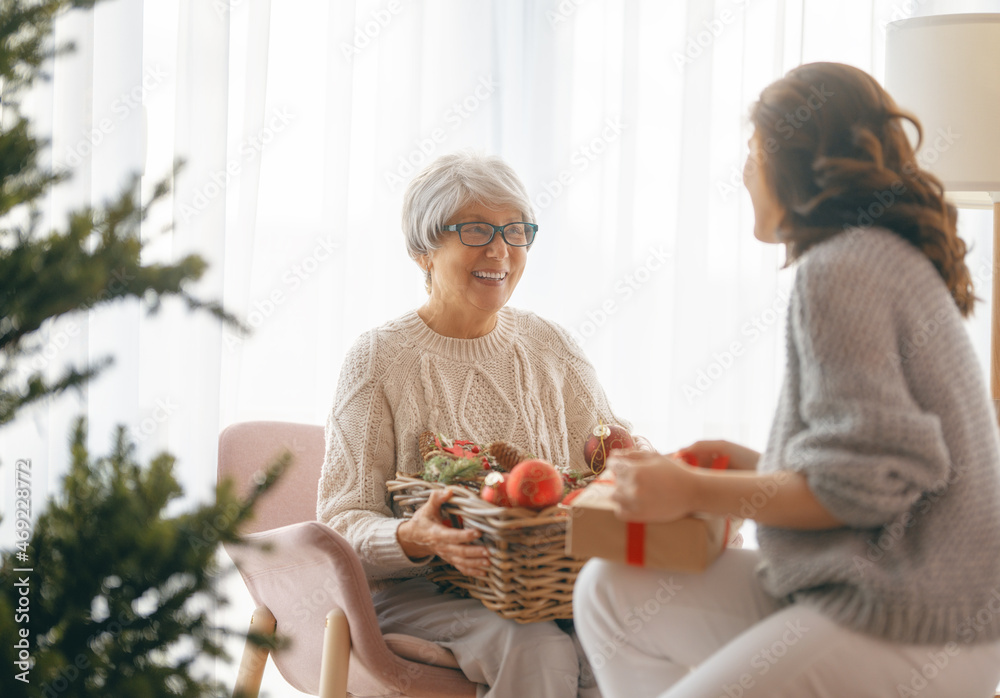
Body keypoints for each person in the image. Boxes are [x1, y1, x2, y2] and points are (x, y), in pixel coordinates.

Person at [573, 62, 1000, 698]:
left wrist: (692, 489)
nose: (745, 172)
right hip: (904, 594)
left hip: (918, 619)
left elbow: (862, 487)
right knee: (608, 589)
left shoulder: (840, 270)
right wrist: (745, 464)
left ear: (797, 163)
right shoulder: (877, 254)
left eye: (752, 153)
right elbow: (866, 461)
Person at [317, 150, 629, 697]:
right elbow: (341, 518)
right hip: (422, 591)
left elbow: (611, 458)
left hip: (542, 586)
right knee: (537, 648)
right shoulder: (379, 359)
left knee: (626, 635)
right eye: (477, 230)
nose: (500, 251)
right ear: (423, 251)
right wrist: (410, 537)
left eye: (515, 231)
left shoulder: (551, 345)